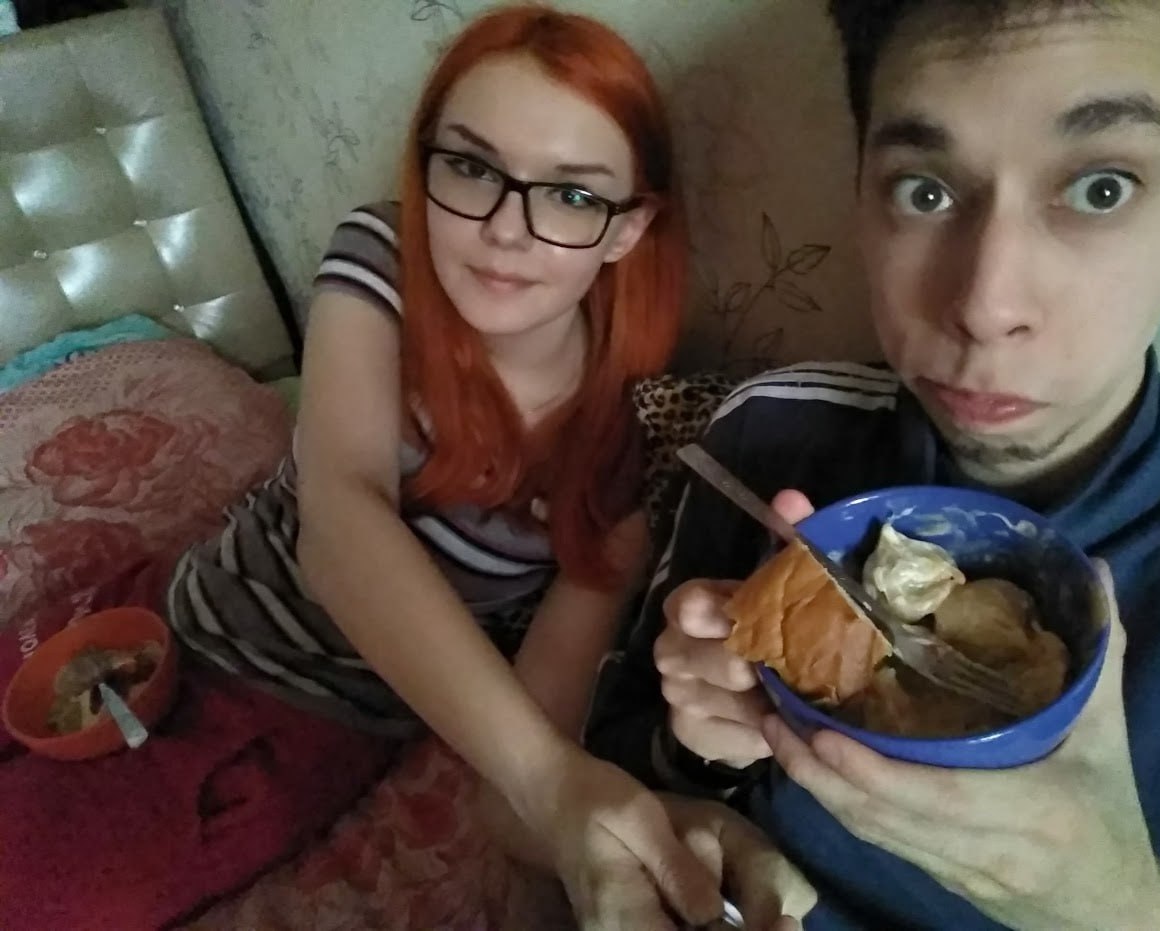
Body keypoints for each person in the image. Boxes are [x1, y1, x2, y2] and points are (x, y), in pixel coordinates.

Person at [588, 0, 1160, 928]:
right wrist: (699, 762)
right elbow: (615, 764)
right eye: (923, 191)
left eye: (1101, 188)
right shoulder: (767, 439)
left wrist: (1114, 902)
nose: (984, 305)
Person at [164, 6, 814, 929]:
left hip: (305, 719)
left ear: (626, 230)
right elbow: (338, 513)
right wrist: (550, 779)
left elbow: (529, 764)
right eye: (471, 168)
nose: (507, 229)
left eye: (571, 195)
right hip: (202, 605)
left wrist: (662, 828)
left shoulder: (626, 451)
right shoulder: (382, 258)